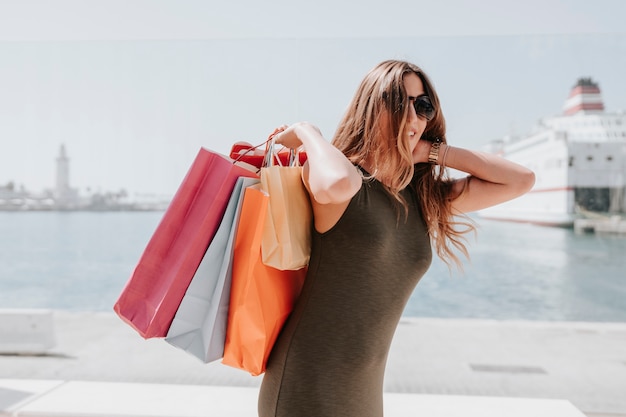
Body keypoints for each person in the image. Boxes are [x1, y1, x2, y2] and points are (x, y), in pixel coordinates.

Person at [257, 59, 535, 417]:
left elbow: (521, 180)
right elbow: (338, 183)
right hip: (306, 382)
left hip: (365, 391)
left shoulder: (421, 198)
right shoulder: (339, 177)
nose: (413, 116)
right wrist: (309, 132)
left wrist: (434, 152)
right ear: (372, 107)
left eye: (423, 106)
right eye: (399, 102)